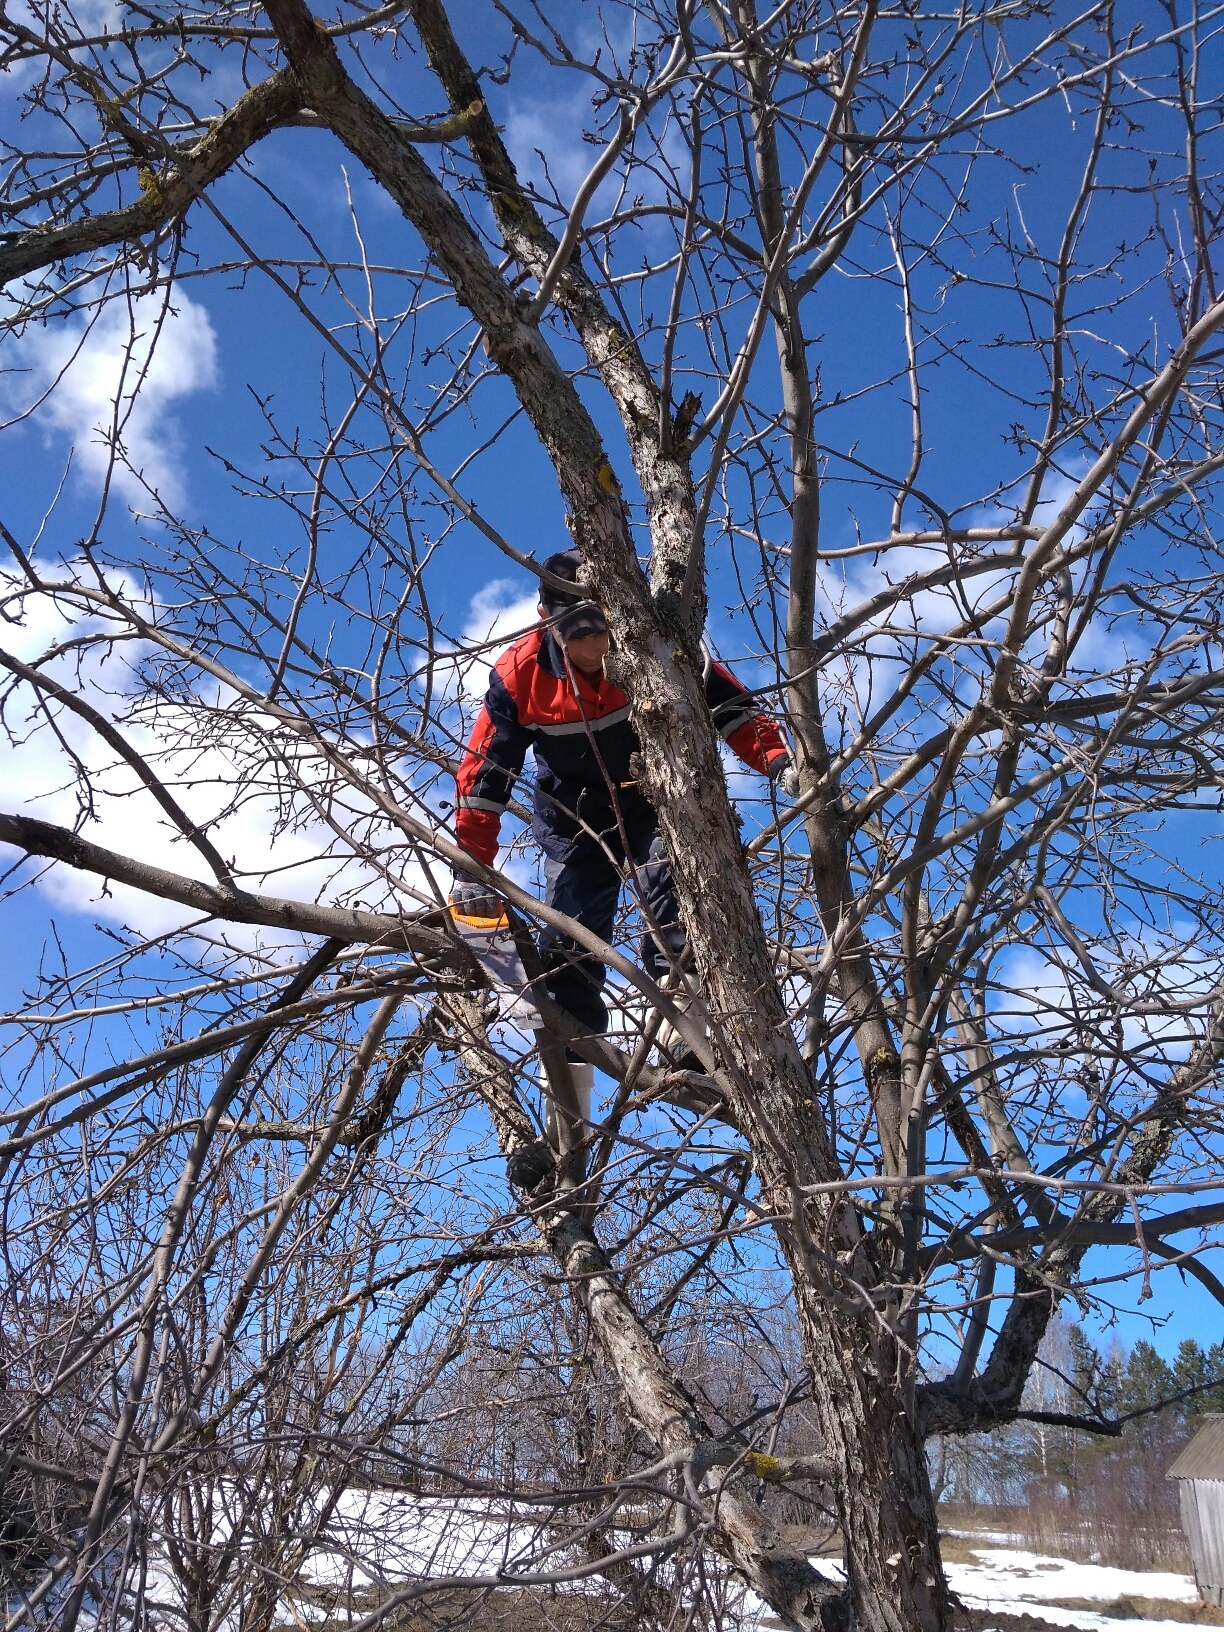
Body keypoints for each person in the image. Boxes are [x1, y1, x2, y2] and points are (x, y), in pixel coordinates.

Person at [450, 549, 796, 1180]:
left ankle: (685, 1044)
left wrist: (778, 760)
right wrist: (471, 869)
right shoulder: (520, 674)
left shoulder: (653, 643)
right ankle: (568, 1132)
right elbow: (483, 778)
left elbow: (732, 708)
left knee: (683, 895)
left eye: (602, 632)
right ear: (546, 621)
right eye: (579, 637)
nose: (594, 650)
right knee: (568, 952)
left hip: (658, 795)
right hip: (575, 818)